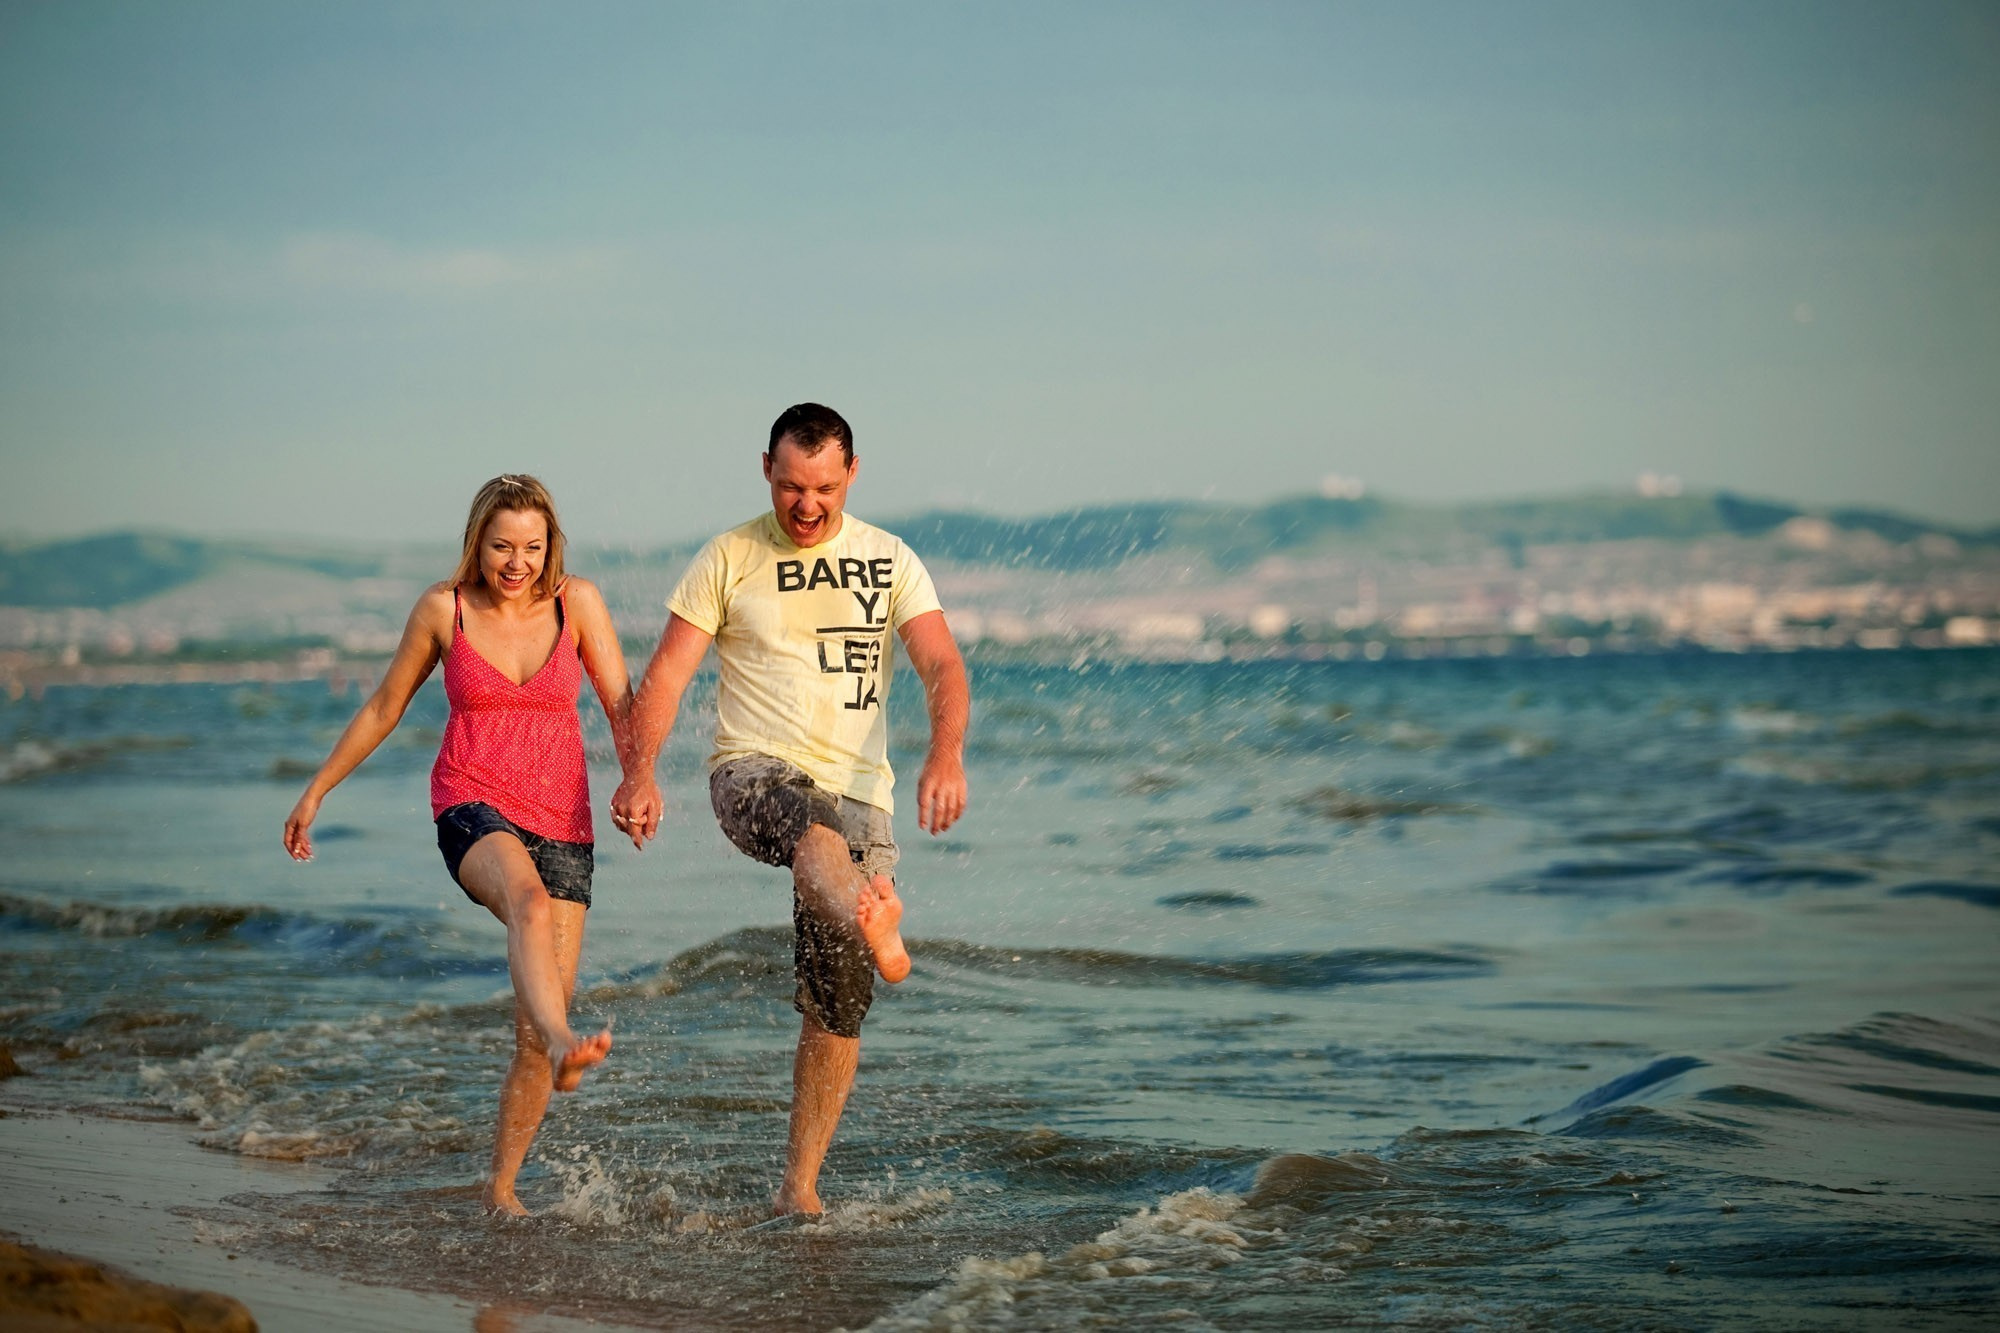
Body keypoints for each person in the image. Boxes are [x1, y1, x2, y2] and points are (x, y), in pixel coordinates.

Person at [611, 402, 970, 1217]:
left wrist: (944, 752)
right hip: (752, 773)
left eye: (823, 488)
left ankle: (798, 1189)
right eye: (789, 487)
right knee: (814, 831)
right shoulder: (729, 556)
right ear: (765, 470)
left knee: (835, 1008)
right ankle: (868, 911)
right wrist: (641, 773)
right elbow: (666, 674)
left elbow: (942, 663)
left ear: (852, 474)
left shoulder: (891, 558)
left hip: (863, 798)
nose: (806, 506)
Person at [282, 474, 624, 1216]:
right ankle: (568, 1038)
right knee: (528, 905)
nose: (517, 562)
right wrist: (316, 790)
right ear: (477, 541)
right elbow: (383, 706)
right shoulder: (446, 609)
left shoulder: (579, 603)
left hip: (564, 817)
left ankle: (499, 1190)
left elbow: (623, 704)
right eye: (503, 545)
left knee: (532, 1034)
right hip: (470, 803)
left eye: (532, 547)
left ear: (550, 545)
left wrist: (643, 777)